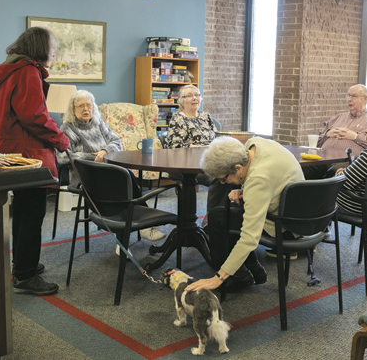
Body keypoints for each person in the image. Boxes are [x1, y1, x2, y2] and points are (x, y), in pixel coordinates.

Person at [0, 27, 70, 296]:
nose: (54, 52)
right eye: (52, 48)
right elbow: (34, 116)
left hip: (15, 150)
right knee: (33, 212)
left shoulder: (10, 70)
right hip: (30, 153)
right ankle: (25, 276)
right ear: (39, 48)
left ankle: (23, 264)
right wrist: (60, 138)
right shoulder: (27, 72)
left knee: (23, 210)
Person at [185, 136, 305, 293]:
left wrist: (217, 278)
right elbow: (272, 181)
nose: (223, 183)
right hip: (303, 213)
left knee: (218, 218)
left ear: (238, 169)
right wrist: (246, 191)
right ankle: (251, 267)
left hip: (287, 226)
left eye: (223, 179)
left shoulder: (258, 179)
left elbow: (249, 239)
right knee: (228, 213)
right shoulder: (255, 144)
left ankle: (238, 275)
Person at [56, 90, 165, 242]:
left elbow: (117, 142)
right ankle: (132, 232)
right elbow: (63, 157)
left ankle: (131, 231)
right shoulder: (67, 128)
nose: (86, 109)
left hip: (108, 171)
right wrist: (95, 156)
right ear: (72, 109)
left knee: (127, 176)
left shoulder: (99, 123)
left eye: (89, 105)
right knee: (121, 183)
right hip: (85, 177)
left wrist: (104, 151)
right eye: (80, 106)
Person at [165, 84, 229, 223]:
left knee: (230, 175)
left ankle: (223, 218)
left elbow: (215, 139)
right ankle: (212, 219)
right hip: (184, 164)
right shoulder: (178, 119)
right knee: (219, 178)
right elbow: (175, 147)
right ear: (181, 101)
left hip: (208, 161)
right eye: (189, 95)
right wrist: (199, 147)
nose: (194, 98)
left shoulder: (206, 117)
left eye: (197, 95)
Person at [303, 84, 367, 180]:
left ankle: (322, 194)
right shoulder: (337, 118)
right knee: (301, 167)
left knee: (333, 171)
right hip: (322, 159)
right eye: (348, 95)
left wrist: (355, 136)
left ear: (365, 99)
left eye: (354, 96)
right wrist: (327, 134)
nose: (349, 99)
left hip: (346, 163)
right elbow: (317, 142)